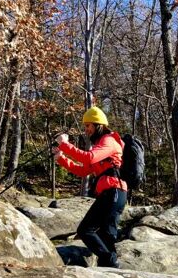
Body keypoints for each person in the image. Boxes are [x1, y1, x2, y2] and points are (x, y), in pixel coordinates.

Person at [52, 106, 126, 268]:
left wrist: (65, 145)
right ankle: (109, 268)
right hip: (113, 193)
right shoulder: (101, 145)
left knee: (86, 229)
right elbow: (83, 170)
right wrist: (62, 158)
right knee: (106, 235)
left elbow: (89, 158)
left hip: (113, 191)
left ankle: (110, 262)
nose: (86, 130)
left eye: (88, 126)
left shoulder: (109, 141)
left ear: (98, 125)